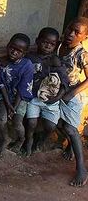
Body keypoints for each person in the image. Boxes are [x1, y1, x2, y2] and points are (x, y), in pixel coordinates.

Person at [25, 27, 69, 156]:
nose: (48, 46)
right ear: (37, 41)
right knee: (31, 122)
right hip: (33, 98)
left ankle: (41, 140)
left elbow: (65, 83)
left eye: (52, 44)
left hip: (51, 100)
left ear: (56, 46)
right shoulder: (30, 58)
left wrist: (56, 98)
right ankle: (29, 141)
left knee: (50, 126)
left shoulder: (56, 61)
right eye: (45, 42)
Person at [56, 17, 88, 187]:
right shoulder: (60, 46)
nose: (71, 34)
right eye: (70, 29)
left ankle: (81, 168)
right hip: (56, 91)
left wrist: (71, 93)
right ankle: (69, 146)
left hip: (71, 95)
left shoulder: (81, 54)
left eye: (78, 32)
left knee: (69, 127)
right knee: (59, 124)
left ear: (84, 37)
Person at [0, 33, 33, 154]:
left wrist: (14, 107)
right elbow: (0, 84)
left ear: (24, 53)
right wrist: (7, 104)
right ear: (7, 45)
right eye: (12, 48)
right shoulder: (0, 62)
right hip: (4, 94)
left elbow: (23, 88)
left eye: (19, 51)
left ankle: (21, 140)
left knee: (17, 121)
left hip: (20, 97)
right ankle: (6, 138)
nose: (14, 52)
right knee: (1, 119)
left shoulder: (27, 65)